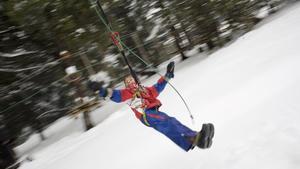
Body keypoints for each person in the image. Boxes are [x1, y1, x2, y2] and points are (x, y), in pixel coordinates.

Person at [88, 62, 214, 152]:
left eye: (132, 80)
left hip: (153, 112)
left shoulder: (145, 90)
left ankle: (194, 139)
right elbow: (114, 95)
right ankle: (195, 138)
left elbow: (158, 87)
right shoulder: (126, 93)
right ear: (126, 85)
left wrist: (168, 75)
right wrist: (102, 90)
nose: (130, 83)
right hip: (146, 115)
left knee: (171, 122)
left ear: (136, 81)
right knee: (168, 122)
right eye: (128, 82)